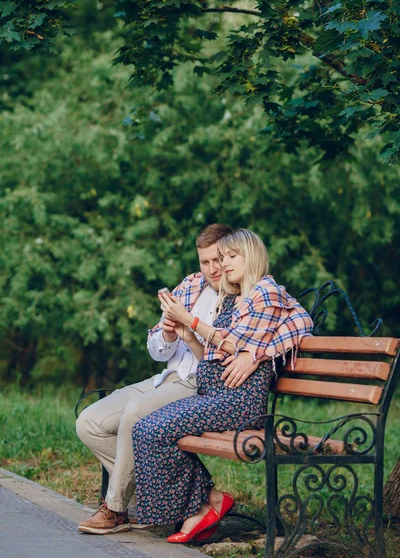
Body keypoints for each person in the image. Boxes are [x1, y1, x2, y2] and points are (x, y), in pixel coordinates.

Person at [131, 229, 314, 543]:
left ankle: (199, 508)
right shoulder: (233, 297)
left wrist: (257, 353)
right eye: (221, 257)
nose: (224, 263)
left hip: (237, 402)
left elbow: (300, 323)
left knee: (153, 431)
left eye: (231, 256)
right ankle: (204, 504)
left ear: (251, 256)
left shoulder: (265, 292)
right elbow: (215, 355)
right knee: (145, 428)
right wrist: (189, 335)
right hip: (213, 396)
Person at [76, 223, 234, 534]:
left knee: (135, 413)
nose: (213, 269)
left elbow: (222, 358)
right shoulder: (191, 286)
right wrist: (165, 332)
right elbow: (156, 350)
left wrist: (191, 332)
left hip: (199, 386)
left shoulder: (239, 295)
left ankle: (116, 508)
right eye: (205, 262)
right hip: (165, 377)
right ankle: (190, 496)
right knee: (89, 422)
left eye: (218, 260)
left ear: (232, 256)